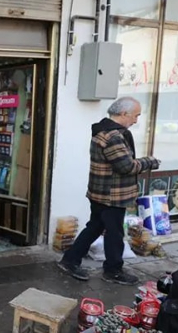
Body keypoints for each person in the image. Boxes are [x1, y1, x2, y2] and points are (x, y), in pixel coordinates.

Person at [57, 97, 160, 285]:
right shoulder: (113, 136)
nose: (136, 120)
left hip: (100, 192)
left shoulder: (103, 131)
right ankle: (113, 270)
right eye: (136, 115)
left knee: (95, 226)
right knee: (114, 233)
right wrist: (149, 162)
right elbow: (126, 166)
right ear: (123, 114)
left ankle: (70, 260)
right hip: (111, 195)